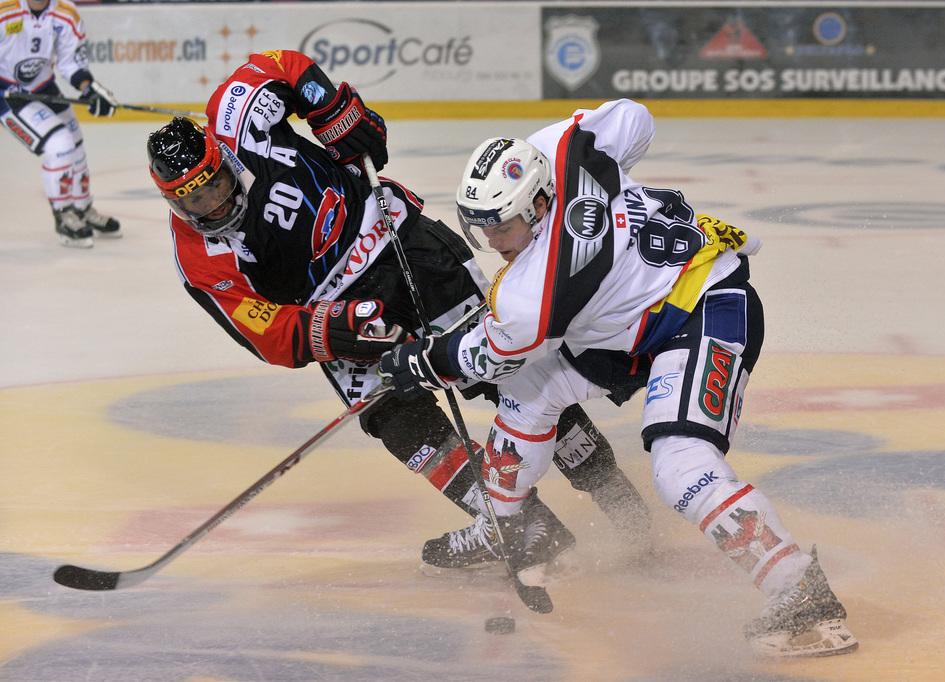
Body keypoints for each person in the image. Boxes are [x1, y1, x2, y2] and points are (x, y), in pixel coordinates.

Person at [143, 49, 651, 578]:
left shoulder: (235, 115)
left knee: (513, 370)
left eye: (216, 187)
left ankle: (614, 494)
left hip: (396, 240)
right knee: (400, 424)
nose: (214, 206)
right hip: (339, 314)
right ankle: (517, 523)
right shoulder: (199, 260)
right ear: (171, 201)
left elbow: (283, 66)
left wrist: (333, 114)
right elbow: (264, 330)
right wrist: (331, 329)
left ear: (224, 162)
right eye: (194, 203)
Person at [379, 100, 858, 657]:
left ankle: (799, 589)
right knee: (526, 396)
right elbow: (634, 117)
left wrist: (420, 362)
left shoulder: (531, 290)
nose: (491, 240)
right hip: (635, 315)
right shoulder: (559, 151)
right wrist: (582, 156)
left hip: (704, 311)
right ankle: (505, 526)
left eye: (502, 226)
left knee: (680, 464)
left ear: (537, 204)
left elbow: (491, 353)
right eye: (480, 224)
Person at [0, 0, 120, 247]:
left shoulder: (66, 13)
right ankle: (64, 215)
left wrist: (89, 90)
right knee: (59, 145)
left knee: (75, 144)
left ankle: (82, 208)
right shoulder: (4, 10)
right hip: (7, 94)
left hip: (43, 87)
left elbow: (70, 62)